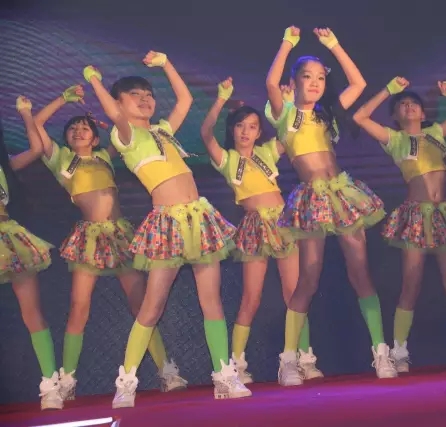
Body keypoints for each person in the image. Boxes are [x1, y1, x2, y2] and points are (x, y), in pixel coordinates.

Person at [83, 50, 249, 407]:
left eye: (148, 94)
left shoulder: (162, 130)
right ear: (119, 103)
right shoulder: (125, 135)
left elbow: (185, 100)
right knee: (152, 305)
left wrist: (166, 64)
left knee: (212, 301)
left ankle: (225, 375)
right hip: (167, 224)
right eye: (135, 95)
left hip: (199, 218)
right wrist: (94, 79)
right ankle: (126, 381)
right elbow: (113, 113)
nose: (145, 99)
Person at [32, 84, 187, 401]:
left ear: (95, 138)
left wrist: (107, 120)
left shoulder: (104, 155)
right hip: (89, 239)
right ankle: (67, 378)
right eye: (73, 129)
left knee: (140, 302)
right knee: (79, 307)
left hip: (118, 235)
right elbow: (36, 125)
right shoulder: (61, 159)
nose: (78, 131)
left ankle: (166, 370)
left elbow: (126, 134)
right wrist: (63, 99)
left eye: (84, 128)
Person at [265, 26, 396, 386]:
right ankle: (289, 359)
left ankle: (381, 352)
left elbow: (359, 82)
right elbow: (271, 83)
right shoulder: (284, 113)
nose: (315, 83)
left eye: (320, 77)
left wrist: (334, 44)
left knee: (361, 272)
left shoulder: (328, 114)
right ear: (294, 82)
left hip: (342, 195)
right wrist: (287, 43)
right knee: (308, 276)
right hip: (311, 199)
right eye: (307, 76)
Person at [353, 77, 446, 371]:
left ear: (424, 113)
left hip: (444, 216)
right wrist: (388, 90)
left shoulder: (436, 132)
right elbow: (360, 117)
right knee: (411, 283)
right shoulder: (394, 139)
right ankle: (399, 350)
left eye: (414, 104)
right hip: (415, 216)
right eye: (403, 104)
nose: (409, 107)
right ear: (395, 116)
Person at [201, 78, 323, 383]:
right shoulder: (227, 159)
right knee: (251, 298)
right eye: (241, 126)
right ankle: (237, 363)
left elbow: (290, 132)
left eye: (253, 126)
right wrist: (220, 99)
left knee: (295, 293)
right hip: (256, 227)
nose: (246, 131)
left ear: (258, 132)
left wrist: (289, 103)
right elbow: (205, 134)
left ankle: (301, 357)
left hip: (283, 223)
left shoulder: (268, 151)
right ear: (233, 130)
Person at [2, 97, 61, 409]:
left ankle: (50, 384)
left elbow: (37, 149)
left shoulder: (6, 167)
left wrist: (26, 114)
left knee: (31, 311)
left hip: (8, 238)